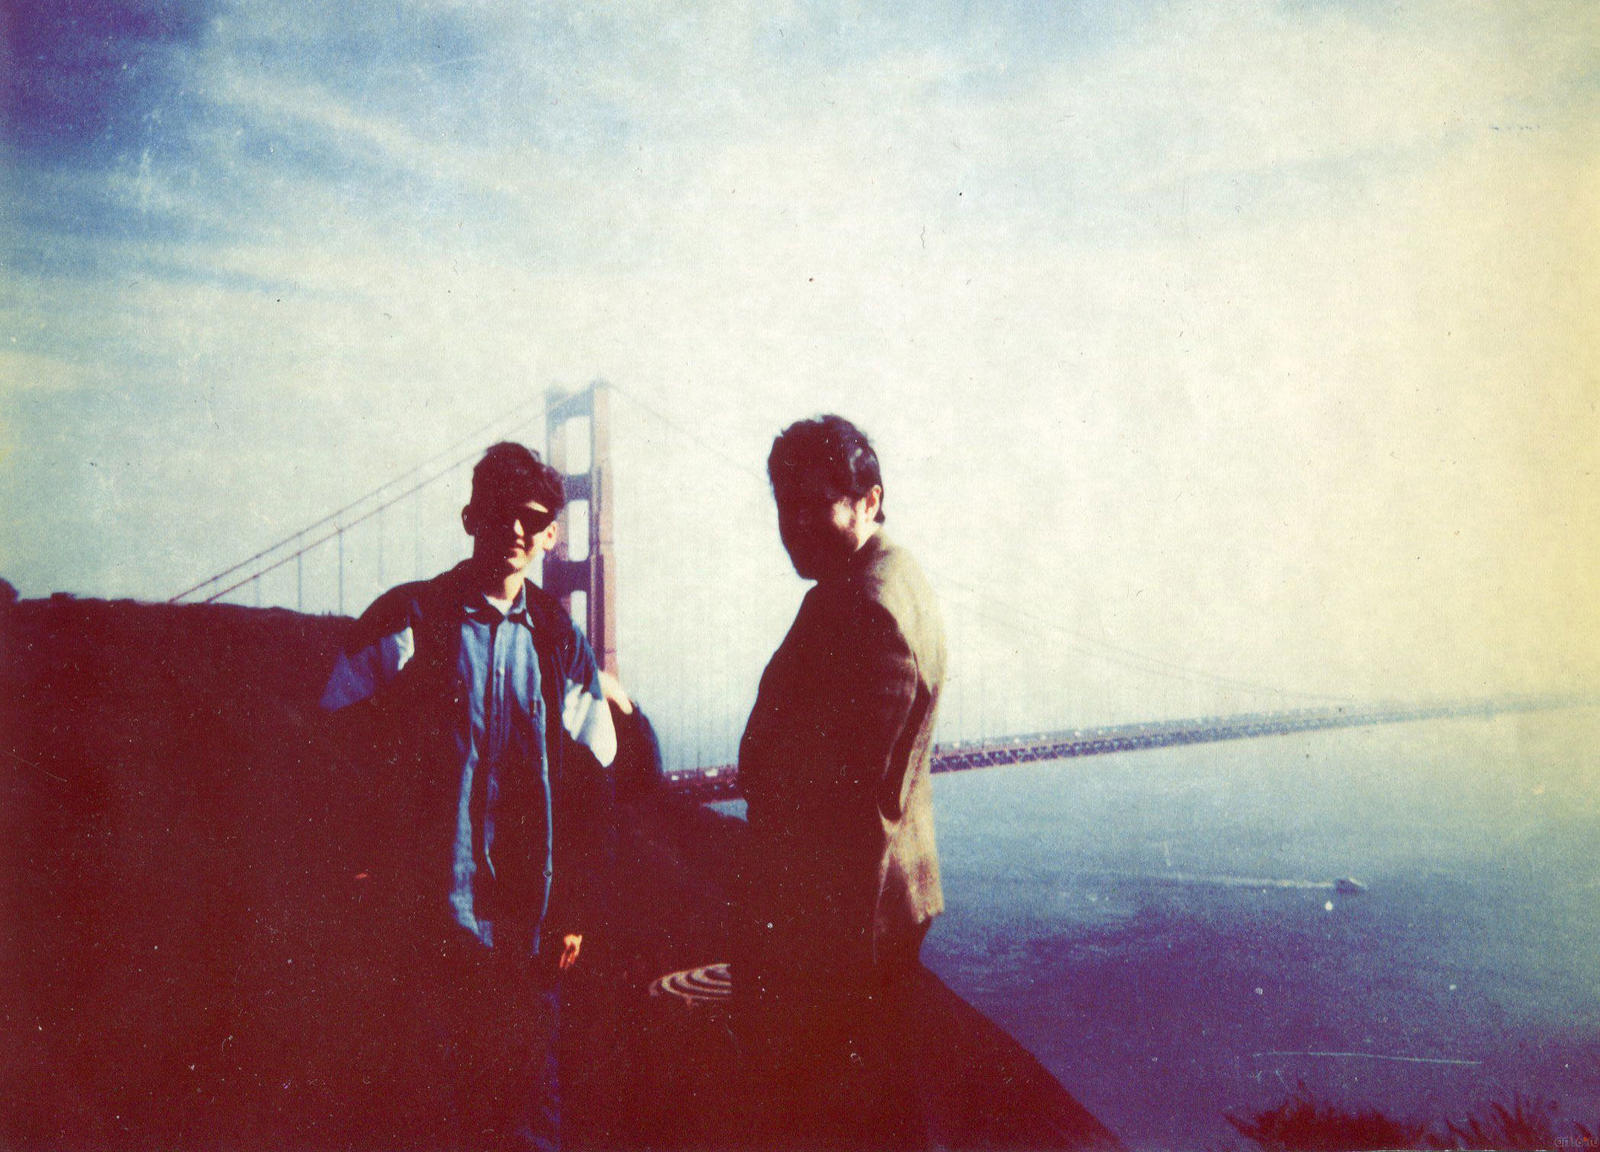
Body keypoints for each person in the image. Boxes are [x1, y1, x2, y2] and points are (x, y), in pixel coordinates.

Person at [320, 441, 616, 1152]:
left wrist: (573, 906)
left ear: (551, 535)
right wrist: (358, 862)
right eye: (498, 511)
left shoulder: (559, 638)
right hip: (426, 917)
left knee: (528, 1111)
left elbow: (592, 778)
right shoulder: (408, 617)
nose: (514, 528)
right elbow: (333, 747)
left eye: (532, 517)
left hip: (529, 926)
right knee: (427, 1112)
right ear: (468, 518)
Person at [734, 415, 948, 1150]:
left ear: (869, 499)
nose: (794, 525)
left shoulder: (867, 606)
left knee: (850, 1116)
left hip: (847, 922)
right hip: (873, 907)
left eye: (814, 503)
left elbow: (847, 801)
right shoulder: (884, 577)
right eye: (784, 505)